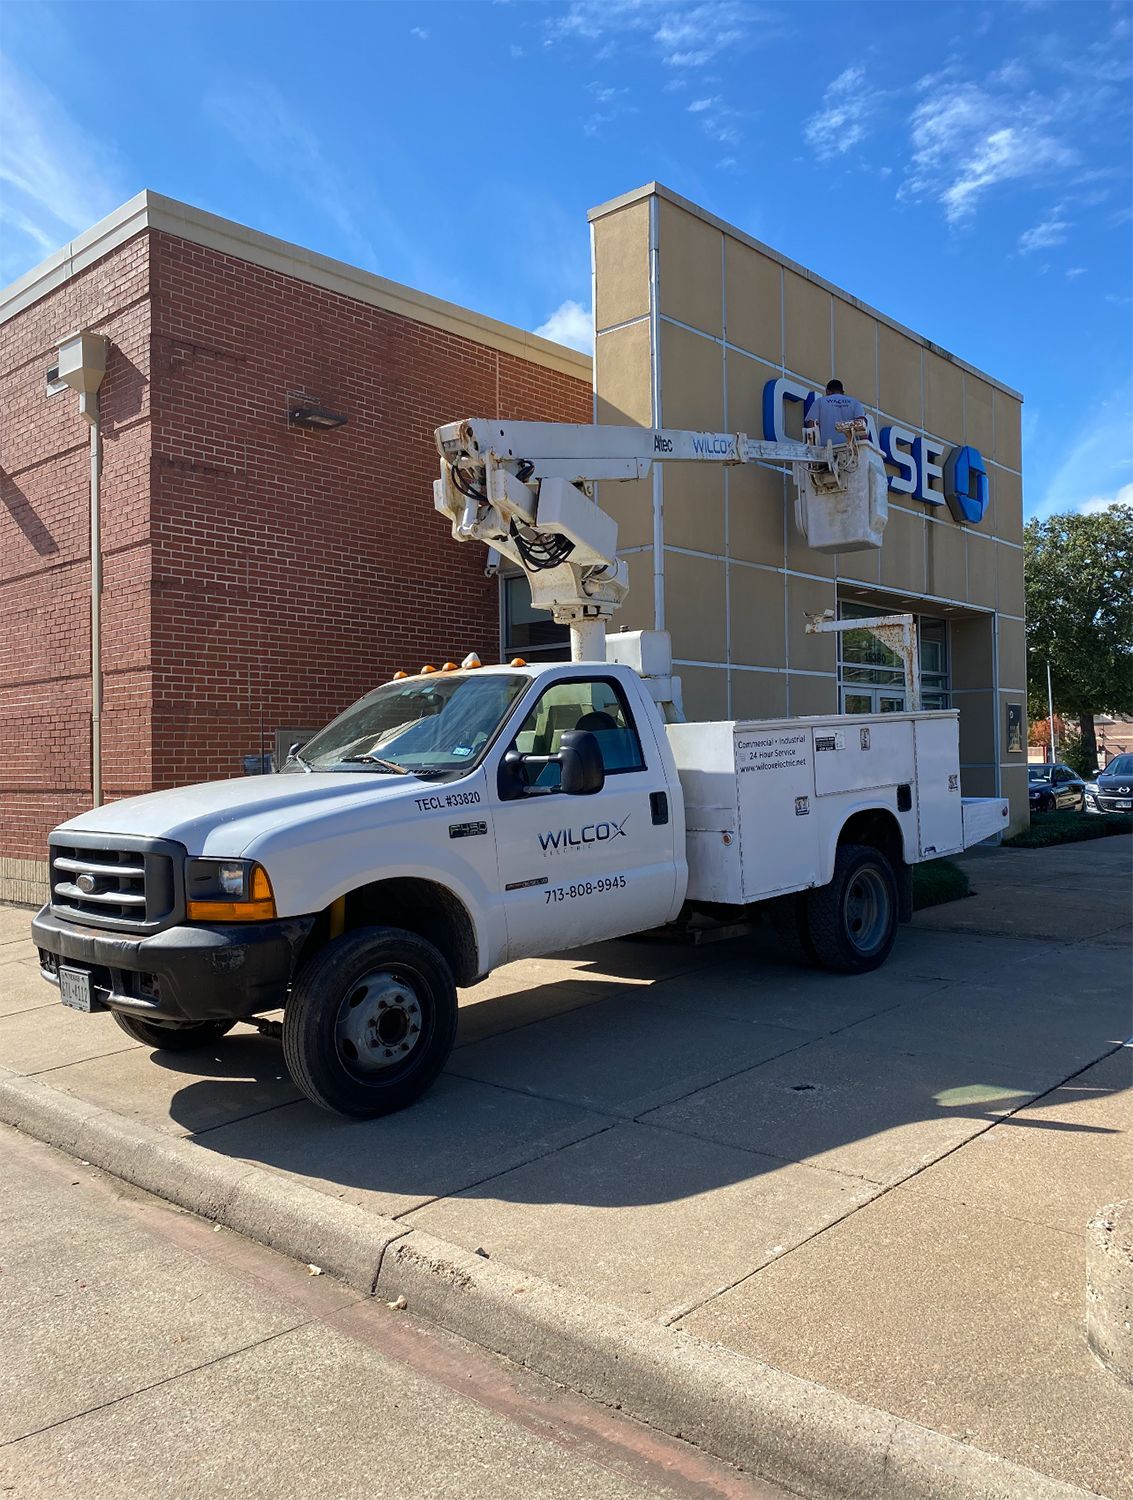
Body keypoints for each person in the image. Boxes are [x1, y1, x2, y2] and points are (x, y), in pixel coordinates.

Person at [804, 379, 867, 448]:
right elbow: (861, 423)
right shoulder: (855, 403)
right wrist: (864, 447)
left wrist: (814, 449)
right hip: (849, 449)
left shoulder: (820, 401)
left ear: (827, 391)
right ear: (842, 392)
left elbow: (811, 424)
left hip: (827, 449)